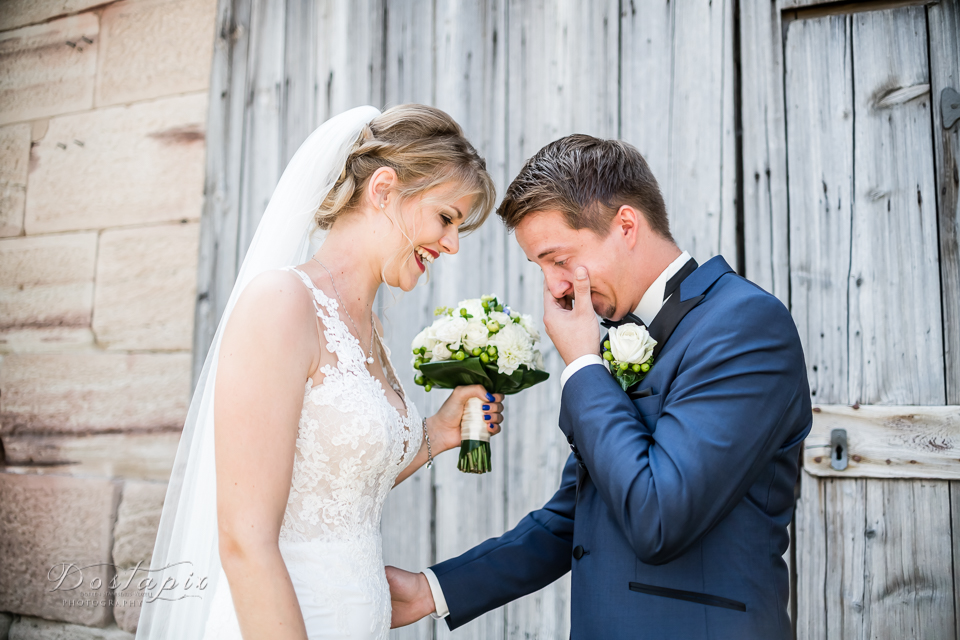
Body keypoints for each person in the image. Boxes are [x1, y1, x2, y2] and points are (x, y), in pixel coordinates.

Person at [387, 134, 812, 639]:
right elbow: (577, 516)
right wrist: (432, 590)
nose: (556, 288)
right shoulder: (623, 334)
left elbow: (658, 518)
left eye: (560, 259)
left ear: (626, 225)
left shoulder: (744, 325)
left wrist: (585, 366)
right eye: (540, 267)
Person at [135, 105, 504, 640]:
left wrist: (437, 434)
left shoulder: (371, 328)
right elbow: (245, 538)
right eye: (447, 218)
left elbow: (332, 485)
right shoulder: (282, 303)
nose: (451, 244)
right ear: (383, 189)